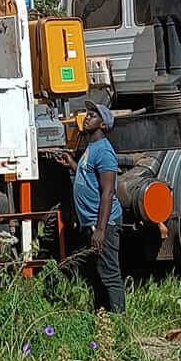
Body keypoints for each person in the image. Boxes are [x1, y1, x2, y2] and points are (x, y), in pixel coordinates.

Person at [72, 102, 124, 313]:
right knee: (97, 272)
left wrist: (101, 229)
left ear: (103, 125)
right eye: (87, 114)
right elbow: (87, 176)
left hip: (105, 223)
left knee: (109, 273)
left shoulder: (104, 152)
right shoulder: (91, 148)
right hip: (93, 222)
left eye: (92, 115)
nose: (87, 117)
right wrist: (71, 165)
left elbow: (108, 192)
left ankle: (121, 322)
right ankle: (103, 319)